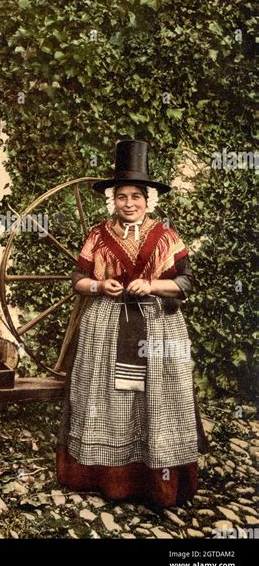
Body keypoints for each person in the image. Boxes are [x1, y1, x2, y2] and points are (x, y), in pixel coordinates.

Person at [57, 139, 207, 507]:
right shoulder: (98, 234)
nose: (129, 204)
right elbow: (76, 278)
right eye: (122, 197)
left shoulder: (166, 236)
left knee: (157, 397)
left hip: (156, 326)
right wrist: (97, 284)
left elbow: (185, 283)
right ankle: (107, 477)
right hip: (106, 324)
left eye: (136, 197)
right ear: (113, 200)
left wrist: (153, 284)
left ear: (147, 200)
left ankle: (157, 480)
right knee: (105, 395)